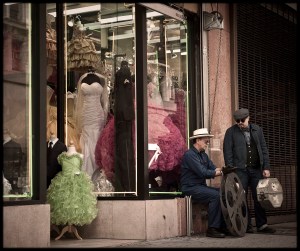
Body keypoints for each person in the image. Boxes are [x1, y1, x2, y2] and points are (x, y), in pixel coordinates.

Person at [223, 108, 276, 234]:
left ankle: (262, 225)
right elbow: (227, 152)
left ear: (248, 118)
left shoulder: (257, 129)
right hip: (240, 171)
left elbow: (264, 149)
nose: (240, 122)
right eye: (238, 121)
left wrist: (266, 167)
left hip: (257, 169)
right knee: (241, 198)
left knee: (260, 196)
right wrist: (231, 171)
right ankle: (245, 225)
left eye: (242, 120)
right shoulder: (230, 132)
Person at [180, 128, 226, 238]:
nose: (207, 144)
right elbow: (203, 173)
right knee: (215, 195)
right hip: (190, 188)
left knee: (223, 193)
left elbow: (213, 168)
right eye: (206, 141)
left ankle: (223, 227)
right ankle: (212, 229)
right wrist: (221, 172)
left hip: (200, 187)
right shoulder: (190, 155)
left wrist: (225, 170)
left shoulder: (204, 155)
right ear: (198, 140)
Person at [46, 141, 98, 232]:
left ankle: (71, 226)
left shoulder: (80, 156)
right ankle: (67, 226)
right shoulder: (61, 156)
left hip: (77, 182)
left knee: (75, 203)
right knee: (63, 203)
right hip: (63, 182)